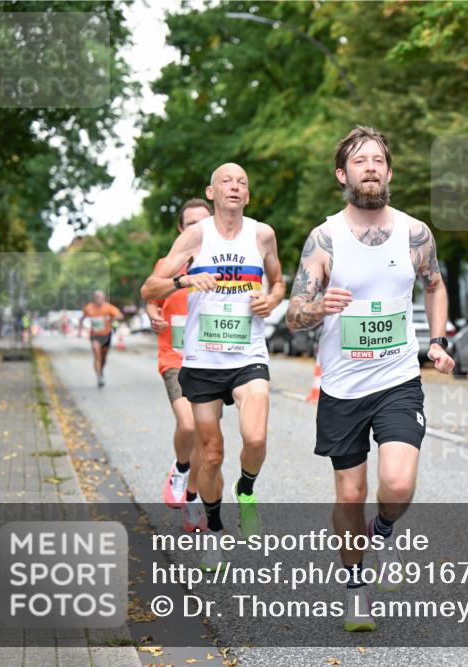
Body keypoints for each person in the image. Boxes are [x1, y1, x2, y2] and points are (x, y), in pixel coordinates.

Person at [287, 126, 455, 631]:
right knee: (349, 495)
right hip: (342, 387)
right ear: (343, 175)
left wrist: (438, 340)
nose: (370, 168)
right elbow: (294, 313)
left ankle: (381, 532)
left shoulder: (415, 233)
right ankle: (356, 587)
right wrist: (320, 306)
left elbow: (434, 285)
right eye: (360, 161)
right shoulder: (324, 238)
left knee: (398, 484)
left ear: (389, 172)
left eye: (378, 160)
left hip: (398, 379)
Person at [141, 164, 284, 571]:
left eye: (242, 182)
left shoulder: (262, 234)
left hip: (247, 355)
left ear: (248, 196)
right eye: (226, 181)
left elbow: (278, 282)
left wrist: (273, 300)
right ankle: (215, 532)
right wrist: (185, 281)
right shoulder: (195, 237)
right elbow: (149, 288)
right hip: (203, 361)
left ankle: (247, 489)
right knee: (212, 454)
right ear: (211, 192)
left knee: (255, 437)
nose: (234, 187)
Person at [146, 198, 213, 532]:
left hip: (212, 360)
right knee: (188, 425)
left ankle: (191, 499)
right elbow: (151, 296)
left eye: (203, 222)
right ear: (180, 228)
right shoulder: (169, 263)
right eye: (190, 224)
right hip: (175, 357)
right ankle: (182, 468)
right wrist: (153, 314)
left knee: (205, 435)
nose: (197, 229)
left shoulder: (223, 262)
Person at [79, 290, 125, 387]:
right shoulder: (89, 308)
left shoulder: (108, 307)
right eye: (97, 297)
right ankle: (99, 377)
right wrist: (80, 331)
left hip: (106, 334)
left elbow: (120, 315)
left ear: (104, 298)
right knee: (97, 355)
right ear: (94, 298)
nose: (99, 299)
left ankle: (101, 370)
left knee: (103, 357)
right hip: (94, 335)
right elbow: (82, 319)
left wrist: (114, 318)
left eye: (101, 297)